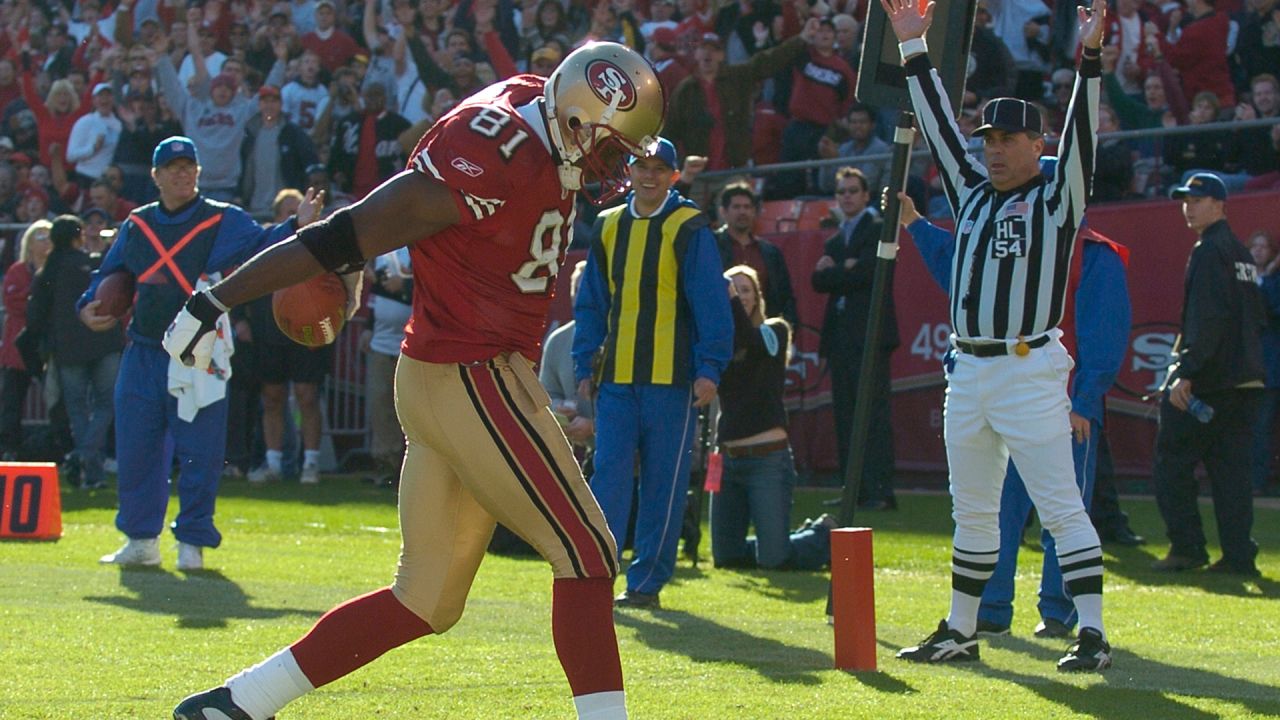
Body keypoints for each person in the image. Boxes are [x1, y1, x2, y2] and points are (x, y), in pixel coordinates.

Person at [163, 42, 663, 720]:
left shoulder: (537, 102)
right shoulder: (493, 150)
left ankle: (239, 702)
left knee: (425, 599)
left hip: (443, 379)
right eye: (611, 150)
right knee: (589, 552)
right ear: (573, 121)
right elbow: (350, 233)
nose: (617, 169)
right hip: (474, 376)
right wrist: (215, 300)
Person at [883, 0, 1113, 672]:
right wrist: (912, 49)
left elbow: (1084, 142)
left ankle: (1093, 632)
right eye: (989, 139)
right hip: (970, 370)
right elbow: (938, 130)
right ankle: (961, 628)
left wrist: (1090, 59)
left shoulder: (1054, 197)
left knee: (1059, 504)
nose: (994, 149)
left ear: (1036, 146)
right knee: (972, 509)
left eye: (1008, 140)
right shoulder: (973, 193)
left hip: (1026, 364)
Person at [891, 173, 1133, 639]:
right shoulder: (1005, 243)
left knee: (1060, 510)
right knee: (995, 507)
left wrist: (1083, 401)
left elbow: (1106, 329)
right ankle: (990, 609)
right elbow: (958, 273)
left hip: (1058, 400)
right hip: (1002, 393)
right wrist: (916, 223)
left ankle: (1063, 614)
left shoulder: (1093, 252)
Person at [78, 136, 320, 572]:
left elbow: (261, 248)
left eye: (189, 165)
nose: (182, 172)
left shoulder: (222, 219)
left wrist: (295, 226)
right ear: (155, 176)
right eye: (173, 167)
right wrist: (90, 305)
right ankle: (140, 539)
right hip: (145, 349)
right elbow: (111, 273)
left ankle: (192, 541)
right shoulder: (137, 223)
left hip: (200, 350)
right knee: (136, 447)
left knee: (200, 450)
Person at [572, 137, 733, 610]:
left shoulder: (689, 226)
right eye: (642, 166)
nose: (649, 175)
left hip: (673, 380)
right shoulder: (606, 225)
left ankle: (645, 585)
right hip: (618, 378)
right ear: (629, 171)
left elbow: (711, 302)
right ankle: (597, 574)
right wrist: (585, 364)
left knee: (664, 482)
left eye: (660, 168)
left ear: (674, 175)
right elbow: (591, 304)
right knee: (608, 477)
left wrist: (709, 368)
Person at [1150, 173, 1265, 578]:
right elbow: (1254, 318)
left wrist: (1186, 371)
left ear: (1219, 204)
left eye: (1197, 199)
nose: (1189, 206)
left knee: (1171, 463)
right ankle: (1238, 556)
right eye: (1185, 199)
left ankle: (1187, 547)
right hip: (1244, 382)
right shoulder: (1240, 252)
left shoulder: (1209, 250)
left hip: (1210, 383)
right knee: (1231, 475)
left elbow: (1208, 318)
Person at [712, 264, 834, 570]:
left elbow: (749, 341)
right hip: (727, 459)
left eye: (745, 290)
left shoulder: (775, 331)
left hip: (768, 459)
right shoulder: (716, 341)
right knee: (727, 557)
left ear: (757, 297)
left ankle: (824, 534)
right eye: (733, 290)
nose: (738, 296)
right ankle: (779, 538)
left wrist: (726, 300)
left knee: (775, 560)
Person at [812, 167, 898, 510]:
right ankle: (853, 490)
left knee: (873, 416)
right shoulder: (836, 238)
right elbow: (818, 282)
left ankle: (879, 491)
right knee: (845, 416)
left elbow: (869, 272)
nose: (847, 196)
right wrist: (843, 269)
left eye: (853, 191)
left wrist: (839, 270)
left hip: (870, 337)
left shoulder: (878, 228)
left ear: (865, 195)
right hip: (841, 339)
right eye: (841, 191)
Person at [25, 215, 124, 489]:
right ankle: (90, 466)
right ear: (77, 237)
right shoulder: (94, 265)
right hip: (105, 342)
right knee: (106, 405)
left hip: (68, 350)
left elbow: (34, 316)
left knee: (77, 411)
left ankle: (84, 463)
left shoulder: (48, 272)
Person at [360, 245, 413, 487]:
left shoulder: (422, 246)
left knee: (409, 408)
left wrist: (404, 287)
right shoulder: (385, 248)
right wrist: (368, 327)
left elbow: (419, 287)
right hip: (382, 339)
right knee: (380, 403)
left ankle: (409, 468)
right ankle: (385, 465)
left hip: (411, 341)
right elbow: (378, 291)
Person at [0, 220, 53, 459]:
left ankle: (57, 449)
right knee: (11, 402)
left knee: (56, 401)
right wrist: (38, 298)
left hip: (49, 348)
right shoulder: (17, 270)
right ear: (29, 243)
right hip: (18, 348)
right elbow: (13, 303)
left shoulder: (57, 270)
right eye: (40, 237)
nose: (46, 241)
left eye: (49, 236)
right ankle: (9, 449)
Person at [714, 181, 798, 327]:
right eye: (736, 207)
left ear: (754, 211)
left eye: (747, 207)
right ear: (723, 211)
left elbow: (785, 297)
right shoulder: (710, 247)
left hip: (764, 335)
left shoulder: (770, 252)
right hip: (723, 331)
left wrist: (785, 330)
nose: (742, 212)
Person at [540, 260, 595, 453]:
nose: (583, 297)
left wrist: (594, 426)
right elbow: (545, 395)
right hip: (580, 453)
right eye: (578, 289)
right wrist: (559, 408)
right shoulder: (558, 340)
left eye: (590, 289)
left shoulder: (621, 339)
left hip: (627, 453)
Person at [65, 83, 122, 187]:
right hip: (85, 177)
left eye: (108, 96)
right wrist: (93, 148)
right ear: (94, 100)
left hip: (107, 181)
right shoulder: (85, 122)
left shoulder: (118, 125)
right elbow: (70, 155)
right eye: (100, 96)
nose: (104, 99)